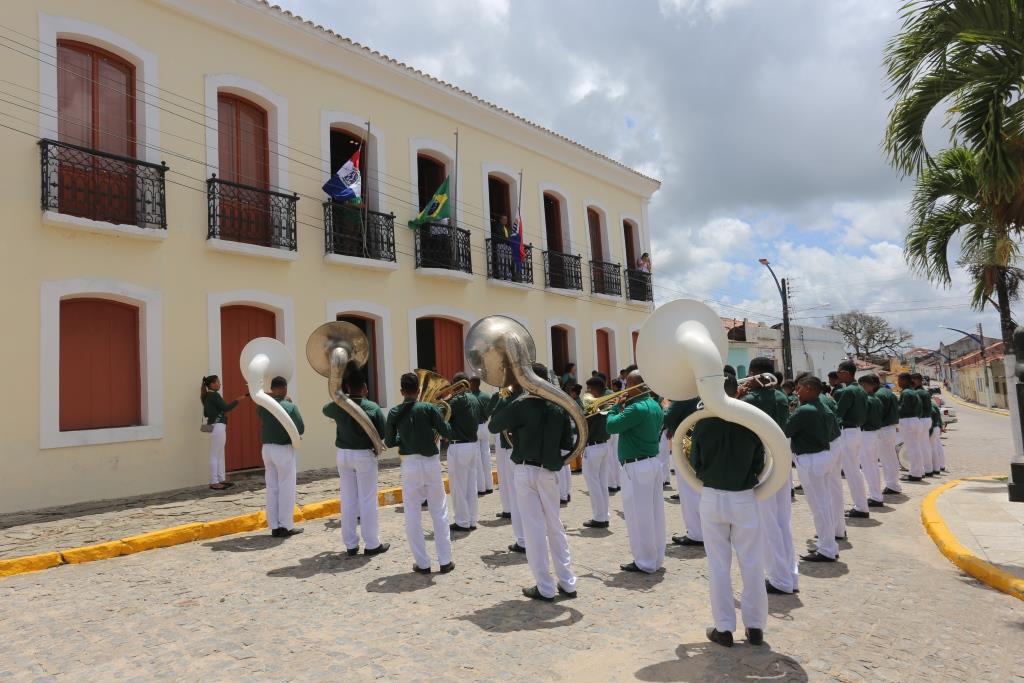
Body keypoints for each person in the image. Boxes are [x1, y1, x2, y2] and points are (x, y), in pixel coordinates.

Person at [488, 363, 577, 601]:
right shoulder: (559, 407)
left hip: (525, 470)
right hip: (549, 473)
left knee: (534, 529)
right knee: (555, 526)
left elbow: (494, 425)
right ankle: (567, 582)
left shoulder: (522, 405)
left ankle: (545, 587)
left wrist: (507, 400)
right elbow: (567, 444)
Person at [692, 374, 768, 648]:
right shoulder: (751, 421)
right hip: (743, 497)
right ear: (738, 392)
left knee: (718, 565)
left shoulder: (702, 423)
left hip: (712, 496)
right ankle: (755, 627)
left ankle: (724, 628)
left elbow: (696, 462)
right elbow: (759, 463)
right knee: (752, 562)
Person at [385, 372, 455, 574]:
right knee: (439, 511)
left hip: (409, 464)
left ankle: (423, 563)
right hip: (431, 463)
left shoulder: (394, 412)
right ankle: (445, 561)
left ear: (401, 392)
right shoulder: (429, 408)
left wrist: (404, 438)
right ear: (418, 390)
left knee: (412, 513)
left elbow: (389, 441)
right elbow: (447, 431)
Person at [738, 357, 796, 595]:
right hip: (781, 458)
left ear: (755, 374)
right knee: (782, 521)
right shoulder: (781, 396)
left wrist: (738, 396)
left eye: (750, 374)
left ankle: (780, 579)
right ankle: (790, 574)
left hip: (763, 462)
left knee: (767, 522)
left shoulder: (751, 399)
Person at [322, 373, 388, 557]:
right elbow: (382, 433)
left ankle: (350, 544)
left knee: (348, 498)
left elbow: (325, 409)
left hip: (343, 455)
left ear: (348, 388)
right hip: (363, 455)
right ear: (365, 388)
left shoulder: (340, 404)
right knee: (367, 499)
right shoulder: (372, 407)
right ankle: (372, 543)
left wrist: (341, 396)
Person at [606, 370, 666, 573]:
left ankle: (645, 561)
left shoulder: (636, 408)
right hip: (651, 463)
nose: (625, 389)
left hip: (636, 466)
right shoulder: (655, 405)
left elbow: (611, 426)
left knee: (638, 515)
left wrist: (615, 407)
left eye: (628, 384)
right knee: (655, 513)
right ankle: (656, 557)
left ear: (635, 386)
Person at [785, 374, 841, 563]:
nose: (797, 392)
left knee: (819, 507)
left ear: (809, 388)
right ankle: (829, 545)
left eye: (799, 388)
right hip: (822, 457)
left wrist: (792, 412)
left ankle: (827, 549)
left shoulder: (805, 410)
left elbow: (787, 430)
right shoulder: (823, 406)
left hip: (811, 460)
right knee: (824, 504)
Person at [256, 376, 305, 538]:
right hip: (283, 449)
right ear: (284, 388)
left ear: (272, 389)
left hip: (267, 449)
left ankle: (274, 526)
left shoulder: (263, 406)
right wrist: (289, 403)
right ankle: (286, 526)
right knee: (286, 488)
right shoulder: (290, 407)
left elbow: (259, 413)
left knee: (272, 488)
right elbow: (300, 428)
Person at [833, 360, 874, 519]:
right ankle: (861, 505)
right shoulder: (860, 390)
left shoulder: (849, 391)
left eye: (839, 372)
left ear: (845, 373)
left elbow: (838, 413)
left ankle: (861, 507)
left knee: (852, 472)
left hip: (847, 432)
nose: (837, 374)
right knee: (854, 470)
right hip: (856, 431)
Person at [445, 372, 483, 534]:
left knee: (458, 487)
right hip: (472, 445)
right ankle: (472, 519)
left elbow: (441, 413)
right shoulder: (474, 398)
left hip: (459, 445)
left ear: (456, 384)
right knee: (471, 485)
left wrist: (447, 398)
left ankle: (462, 521)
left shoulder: (457, 400)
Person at [489, 388, 527, 553]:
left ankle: (523, 540)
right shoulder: (534, 398)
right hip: (532, 451)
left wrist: (501, 399)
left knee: (516, 496)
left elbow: (494, 422)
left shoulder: (507, 400)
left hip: (512, 449)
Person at [665, 397, 704, 547]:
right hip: (699, 442)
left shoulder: (683, 397)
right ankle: (702, 531)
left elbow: (666, 418)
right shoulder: (700, 393)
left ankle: (696, 534)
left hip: (685, 444)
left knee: (688, 491)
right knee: (697, 489)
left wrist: (665, 405)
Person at [201, 375, 247, 490]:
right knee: (215, 455)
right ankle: (214, 482)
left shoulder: (206, 396)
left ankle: (221, 479)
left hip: (214, 426)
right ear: (212, 384)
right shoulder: (214, 395)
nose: (219, 384)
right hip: (218, 426)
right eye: (217, 382)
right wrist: (237, 400)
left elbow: (206, 413)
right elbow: (226, 407)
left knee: (219, 454)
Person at [581, 376, 612, 529]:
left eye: (588, 388)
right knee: (602, 483)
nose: (587, 391)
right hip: (604, 445)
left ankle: (599, 518)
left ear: (593, 389)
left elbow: (582, 422)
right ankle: (604, 515)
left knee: (593, 483)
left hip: (592, 448)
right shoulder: (606, 403)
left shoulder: (591, 405)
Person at [857, 374, 886, 508]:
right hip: (875, 433)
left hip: (866, 434)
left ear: (864, 385)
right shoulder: (876, 399)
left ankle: (876, 497)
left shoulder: (866, 400)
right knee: (873, 466)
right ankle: (877, 495)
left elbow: (861, 418)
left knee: (868, 467)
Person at [874, 377, 903, 495]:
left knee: (887, 459)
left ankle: (892, 485)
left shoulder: (878, 395)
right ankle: (894, 483)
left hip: (883, 428)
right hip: (890, 427)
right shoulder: (888, 392)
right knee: (891, 457)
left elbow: (878, 413)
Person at [897, 373, 925, 481]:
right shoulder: (913, 391)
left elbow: (903, 408)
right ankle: (919, 471)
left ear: (904, 380)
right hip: (915, 420)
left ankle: (914, 474)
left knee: (911, 449)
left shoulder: (906, 392)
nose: (898, 382)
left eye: (899, 380)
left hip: (908, 421)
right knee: (916, 447)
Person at [469, 376, 494, 497]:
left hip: (474, 427)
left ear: (471, 384)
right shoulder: (487, 396)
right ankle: (489, 486)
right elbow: (491, 411)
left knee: (478, 459)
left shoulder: (470, 397)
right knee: (486, 456)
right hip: (485, 427)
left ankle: (481, 488)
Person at [911, 374, 938, 477]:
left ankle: (923, 469)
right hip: (927, 419)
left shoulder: (917, 392)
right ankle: (928, 468)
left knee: (920, 445)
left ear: (916, 380)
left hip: (922, 419)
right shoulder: (924, 392)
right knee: (925, 445)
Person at [929, 397, 947, 474]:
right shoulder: (933, 403)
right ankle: (941, 465)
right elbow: (938, 417)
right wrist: (940, 426)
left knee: (933, 447)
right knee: (938, 446)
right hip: (937, 426)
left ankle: (935, 467)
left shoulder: (929, 404)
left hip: (933, 427)